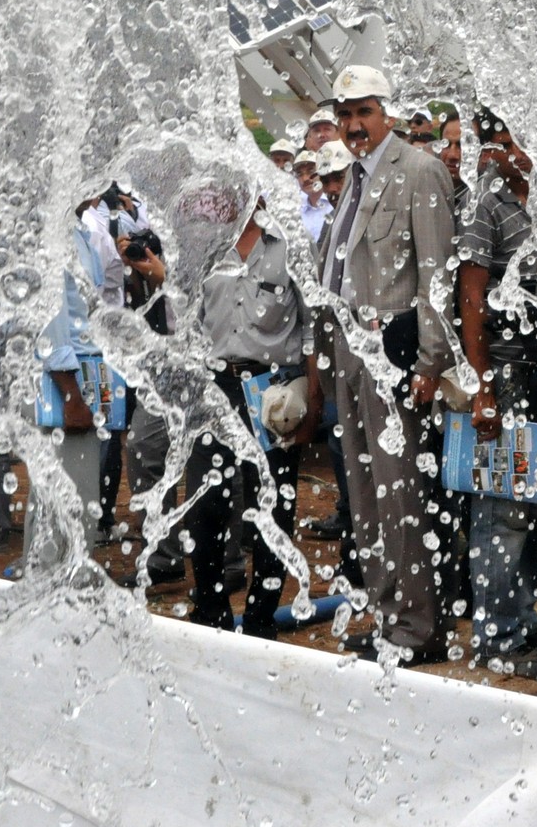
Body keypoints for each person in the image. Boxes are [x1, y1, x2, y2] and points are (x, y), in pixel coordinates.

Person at [317, 63, 456, 663]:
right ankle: (386, 613)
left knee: (401, 495)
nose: (354, 124)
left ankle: (417, 627)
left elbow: (437, 277)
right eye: (345, 114)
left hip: (395, 351)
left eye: (363, 112)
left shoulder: (419, 170)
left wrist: (430, 361)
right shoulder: (351, 177)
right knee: (365, 491)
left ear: (388, 114)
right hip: (351, 351)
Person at [457, 110, 537, 668]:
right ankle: (498, 638)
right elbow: (470, 300)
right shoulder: (485, 202)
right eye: (505, 138)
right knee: (500, 512)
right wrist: (483, 387)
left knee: (530, 508)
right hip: (505, 375)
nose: (515, 149)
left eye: (524, 137)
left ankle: (521, 620)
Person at [185, 191, 310, 636]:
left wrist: (309, 396)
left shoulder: (289, 243)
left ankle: (260, 620)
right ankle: (210, 611)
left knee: (272, 507)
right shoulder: (204, 248)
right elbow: (190, 321)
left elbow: (313, 326)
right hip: (216, 386)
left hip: (272, 388)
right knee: (205, 501)